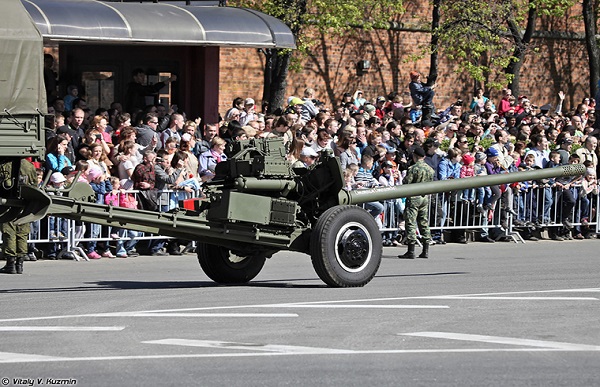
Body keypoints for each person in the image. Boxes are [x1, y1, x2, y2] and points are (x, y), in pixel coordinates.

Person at [0, 159, 38, 274]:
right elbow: (34, 184)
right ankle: (20, 263)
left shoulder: (3, 164)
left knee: (9, 232)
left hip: (7, 203)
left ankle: (10, 263)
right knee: (22, 232)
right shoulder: (28, 165)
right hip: (25, 202)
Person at [398, 146, 434, 259]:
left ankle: (411, 250)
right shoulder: (430, 169)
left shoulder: (413, 168)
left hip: (414, 197)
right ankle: (426, 249)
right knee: (423, 221)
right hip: (425, 197)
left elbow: (407, 182)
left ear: (415, 156)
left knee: (410, 222)